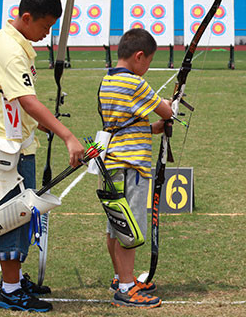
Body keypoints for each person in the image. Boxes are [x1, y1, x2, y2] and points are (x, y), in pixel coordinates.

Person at [0, 0, 84, 312]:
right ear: (26, 17)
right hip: (7, 149)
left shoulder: (11, 41)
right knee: (12, 216)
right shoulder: (11, 52)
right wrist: (66, 135)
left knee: (20, 214)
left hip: (14, 141)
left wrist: (41, 123)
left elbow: (15, 100)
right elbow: (26, 100)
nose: (47, 33)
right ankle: (10, 290)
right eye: (45, 26)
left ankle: (14, 280)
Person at [98, 28, 172, 308]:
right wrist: (170, 106)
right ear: (139, 56)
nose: (147, 68)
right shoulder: (136, 85)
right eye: (149, 62)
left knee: (116, 227)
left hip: (112, 165)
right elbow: (166, 111)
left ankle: (120, 277)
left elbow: (124, 122)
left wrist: (151, 128)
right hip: (132, 167)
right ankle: (127, 288)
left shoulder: (108, 81)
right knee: (129, 231)